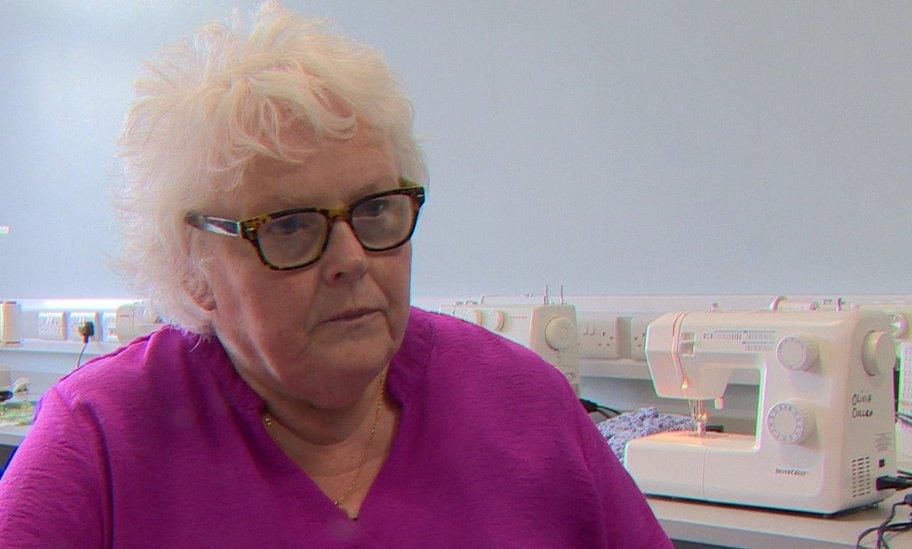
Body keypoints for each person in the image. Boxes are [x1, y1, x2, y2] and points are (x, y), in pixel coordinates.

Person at [0, 3, 673, 546]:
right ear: (195, 271)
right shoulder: (98, 441)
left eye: (376, 209)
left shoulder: (526, 406)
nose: (351, 258)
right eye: (291, 226)